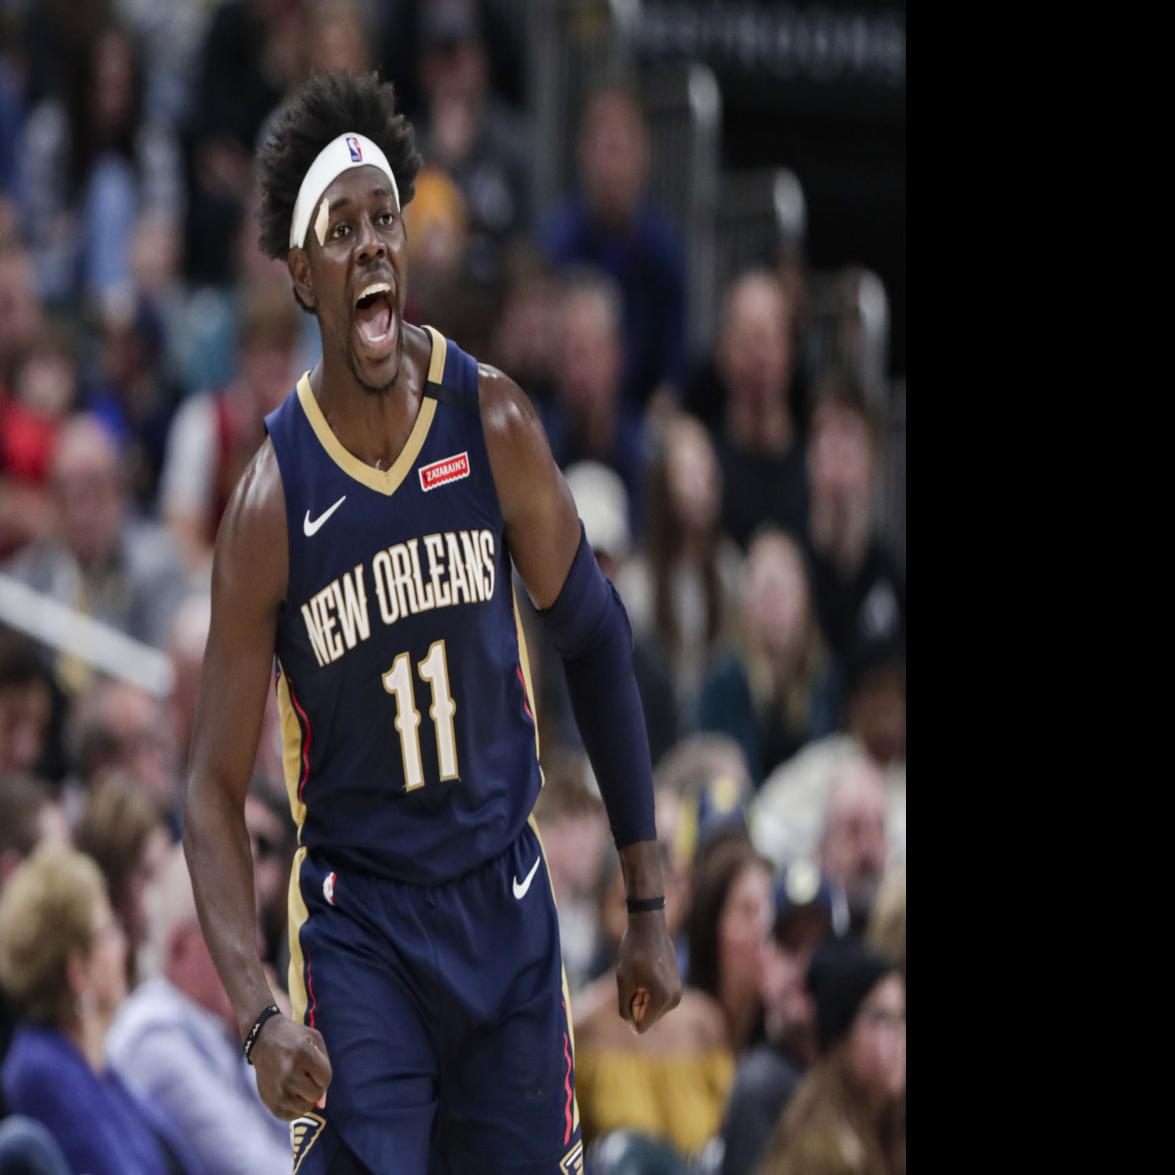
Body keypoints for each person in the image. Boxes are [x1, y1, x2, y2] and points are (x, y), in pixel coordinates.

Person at [182, 70, 680, 1175]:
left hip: (504, 909)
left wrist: (645, 894)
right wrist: (260, 1012)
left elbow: (595, 640)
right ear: (303, 274)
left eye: (383, 221)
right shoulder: (270, 505)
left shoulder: (492, 418)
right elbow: (211, 791)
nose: (369, 245)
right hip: (366, 931)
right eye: (339, 229)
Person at [0, 847, 201, 1175]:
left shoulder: (93, 1061)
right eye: (108, 930)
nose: (122, 944)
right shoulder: (40, 1072)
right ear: (78, 971)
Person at [107, 845, 291, 1174]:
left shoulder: (218, 1027)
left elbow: (298, 1140)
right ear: (179, 947)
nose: (259, 947)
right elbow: (252, 1167)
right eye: (242, 933)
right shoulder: (153, 1037)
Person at [756, 940, 905, 1175]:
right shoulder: (823, 1147)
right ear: (841, 1037)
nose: (899, 1038)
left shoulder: (885, 1124)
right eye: (882, 1019)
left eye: (902, 1018)